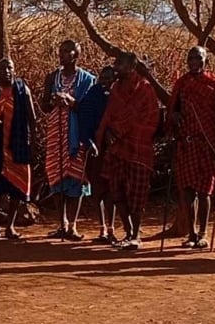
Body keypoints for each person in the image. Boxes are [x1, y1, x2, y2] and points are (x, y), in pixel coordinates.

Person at [96, 52, 161, 250]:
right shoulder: (116, 89)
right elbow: (109, 115)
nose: (116, 68)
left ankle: (136, 234)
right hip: (117, 147)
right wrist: (107, 133)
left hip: (139, 147)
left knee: (136, 195)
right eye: (116, 64)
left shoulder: (145, 89)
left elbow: (150, 119)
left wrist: (121, 130)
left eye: (120, 64)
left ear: (132, 67)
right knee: (117, 192)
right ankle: (128, 231)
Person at [166, 47, 215, 249]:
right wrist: (174, 116)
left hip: (207, 144)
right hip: (186, 143)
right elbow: (172, 110)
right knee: (187, 191)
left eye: (198, 58)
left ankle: (203, 233)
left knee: (204, 191)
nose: (194, 61)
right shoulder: (182, 83)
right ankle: (191, 234)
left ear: (206, 61)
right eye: (190, 58)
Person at [41, 40, 99, 241]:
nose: (63, 54)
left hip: (77, 134)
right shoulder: (52, 77)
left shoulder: (87, 79)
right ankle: (62, 223)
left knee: (76, 177)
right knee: (56, 176)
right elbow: (44, 106)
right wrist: (53, 100)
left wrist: (71, 102)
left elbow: (90, 109)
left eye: (67, 51)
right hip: (56, 133)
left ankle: (72, 225)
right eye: (61, 51)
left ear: (76, 55)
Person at [0, 57, 37, 239]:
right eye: (2, 68)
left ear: (14, 69)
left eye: (9, 68)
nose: (6, 71)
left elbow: (32, 119)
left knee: (17, 186)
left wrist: (32, 143)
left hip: (18, 143)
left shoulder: (23, 90)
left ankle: (10, 226)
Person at [82, 65, 117, 243]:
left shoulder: (119, 96)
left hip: (115, 149)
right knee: (97, 190)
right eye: (102, 78)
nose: (105, 82)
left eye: (109, 79)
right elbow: (84, 120)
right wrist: (90, 143)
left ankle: (111, 229)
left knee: (111, 189)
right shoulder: (93, 94)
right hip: (96, 147)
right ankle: (102, 228)